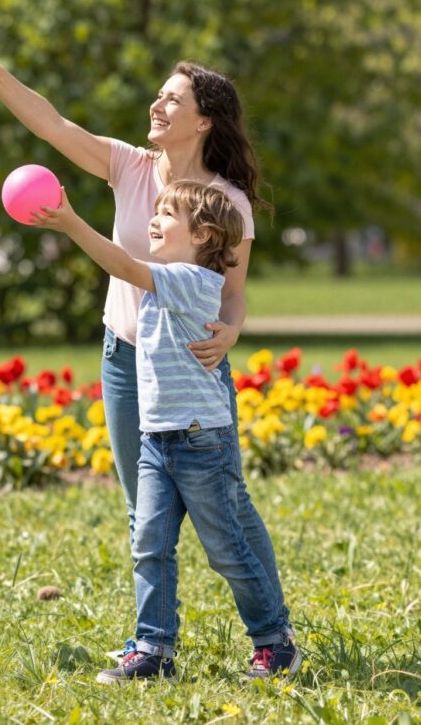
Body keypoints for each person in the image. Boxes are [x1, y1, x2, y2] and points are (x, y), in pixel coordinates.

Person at [0, 48, 287, 667]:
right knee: (145, 516)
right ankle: (155, 643)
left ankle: (271, 636)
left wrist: (231, 335)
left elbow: (233, 296)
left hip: (191, 369)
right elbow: (54, 127)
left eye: (172, 100)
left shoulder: (225, 202)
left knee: (227, 512)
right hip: (125, 358)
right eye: (158, 96)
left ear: (204, 119)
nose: (156, 106)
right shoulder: (130, 167)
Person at [32, 181, 298, 682]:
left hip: (202, 442)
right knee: (150, 543)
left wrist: (69, 220)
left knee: (227, 550)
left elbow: (122, 266)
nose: (153, 220)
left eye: (167, 214)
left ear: (204, 235)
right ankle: (154, 650)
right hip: (158, 440)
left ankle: (274, 640)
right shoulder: (168, 279)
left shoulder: (194, 280)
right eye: (155, 211)